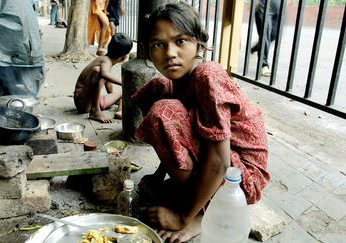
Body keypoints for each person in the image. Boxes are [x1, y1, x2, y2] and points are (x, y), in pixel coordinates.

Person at [131, 3, 270, 242]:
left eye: (181, 41)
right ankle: (190, 193)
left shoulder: (208, 75)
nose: (170, 53)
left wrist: (184, 217)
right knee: (157, 90)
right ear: (147, 50)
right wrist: (159, 174)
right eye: (158, 45)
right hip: (219, 163)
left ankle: (202, 213)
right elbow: (176, 139)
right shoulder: (178, 80)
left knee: (164, 112)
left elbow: (220, 161)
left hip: (241, 178)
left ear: (199, 42)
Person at [74, 33, 133, 123]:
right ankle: (95, 111)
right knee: (98, 71)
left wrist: (112, 95)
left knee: (125, 91)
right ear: (124, 57)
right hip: (82, 101)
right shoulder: (105, 61)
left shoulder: (107, 60)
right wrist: (124, 82)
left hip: (95, 101)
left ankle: (120, 111)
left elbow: (107, 80)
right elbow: (104, 74)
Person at [251, 0, 281, 77]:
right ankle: (263, 65)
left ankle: (257, 47)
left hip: (279, 4)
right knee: (265, 34)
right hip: (264, 4)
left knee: (274, 34)